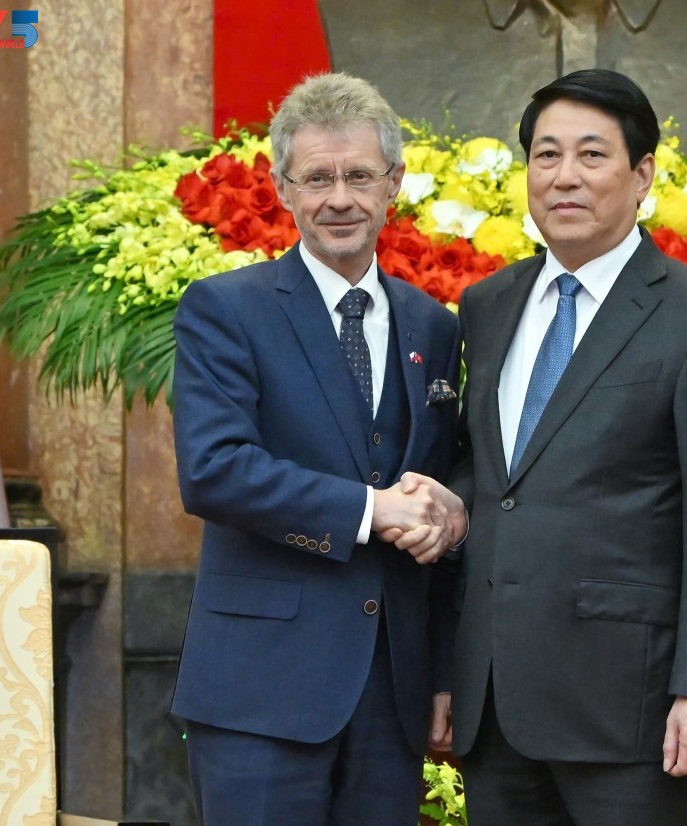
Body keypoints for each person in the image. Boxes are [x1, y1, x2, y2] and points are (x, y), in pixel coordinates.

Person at [443, 68, 687, 825]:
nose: (565, 177)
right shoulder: (488, 305)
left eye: (592, 155)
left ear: (642, 174)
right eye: (546, 155)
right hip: (496, 705)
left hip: (636, 713)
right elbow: (493, 478)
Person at [169, 72, 466, 826]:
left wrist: (444, 664)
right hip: (259, 694)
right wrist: (370, 510)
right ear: (282, 188)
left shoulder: (434, 326)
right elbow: (213, 470)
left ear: (394, 183)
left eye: (359, 176)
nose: (340, 198)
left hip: (392, 697)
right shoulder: (225, 309)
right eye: (318, 178)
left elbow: (440, 485)